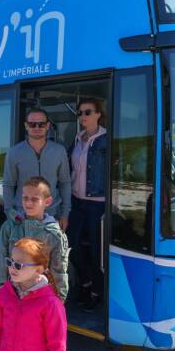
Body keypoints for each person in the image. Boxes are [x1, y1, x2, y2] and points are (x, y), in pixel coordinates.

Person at [0, 176, 69, 302]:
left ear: (47, 202)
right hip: (11, 297)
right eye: (25, 198)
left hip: (40, 301)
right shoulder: (10, 227)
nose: (28, 203)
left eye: (34, 199)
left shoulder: (55, 235)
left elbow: (59, 272)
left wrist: (59, 302)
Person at [68, 98, 108, 312]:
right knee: (72, 247)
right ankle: (85, 283)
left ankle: (96, 292)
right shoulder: (77, 138)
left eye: (88, 112)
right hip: (76, 201)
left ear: (98, 114)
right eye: (80, 112)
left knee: (95, 251)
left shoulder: (106, 139)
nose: (83, 116)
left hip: (97, 204)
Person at [3, 108, 71, 231]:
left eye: (41, 124)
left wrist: (65, 214)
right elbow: (8, 184)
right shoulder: (14, 152)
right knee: (24, 250)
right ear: (26, 126)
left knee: (49, 251)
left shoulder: (59, 151)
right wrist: (9, 213)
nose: (37, 127)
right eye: (32, 124)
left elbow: (65, 183)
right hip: (22, 217)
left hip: (52, 217)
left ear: (48, 126)